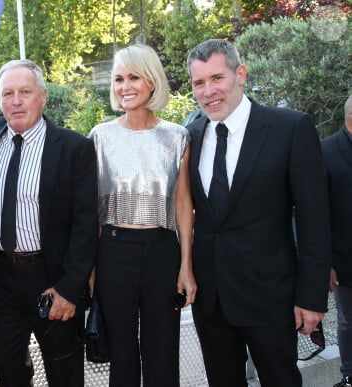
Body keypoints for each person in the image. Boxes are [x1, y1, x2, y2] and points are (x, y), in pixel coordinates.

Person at [186, 38, 332, 386]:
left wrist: (312, 298)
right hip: (211, 300)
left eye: (217, 78)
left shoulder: (290, 128)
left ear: (241, 74)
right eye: (199, 83)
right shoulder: (190, 135)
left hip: (271, 296)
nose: (208, 91)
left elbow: (314, 219)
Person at [0, 59, 98, 387]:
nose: (16, 101)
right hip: (2, 283)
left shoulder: (74, 148)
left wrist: (69, 289)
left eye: (25, 92)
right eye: (8, 94)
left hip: (52, 281)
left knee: (65, 375)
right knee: (9, 374)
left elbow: (86, 225)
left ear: (43, 97)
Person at [88, 44, 196, 386]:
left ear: (152, 81)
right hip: (113, 252)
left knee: (163, 350)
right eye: (119, 79)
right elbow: (91, 212)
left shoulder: (177, 136)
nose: (125, 86)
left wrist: (186, 266)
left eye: (134, 77)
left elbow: (183, 206)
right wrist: (90, 271)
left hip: (162, 250)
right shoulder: (100, 137)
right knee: (121, 353)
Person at [324, 95, 352, 387]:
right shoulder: (326, 151)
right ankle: (350, 375)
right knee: (348, 322)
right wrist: (325, 262)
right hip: (344, 257)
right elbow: (316, 213)